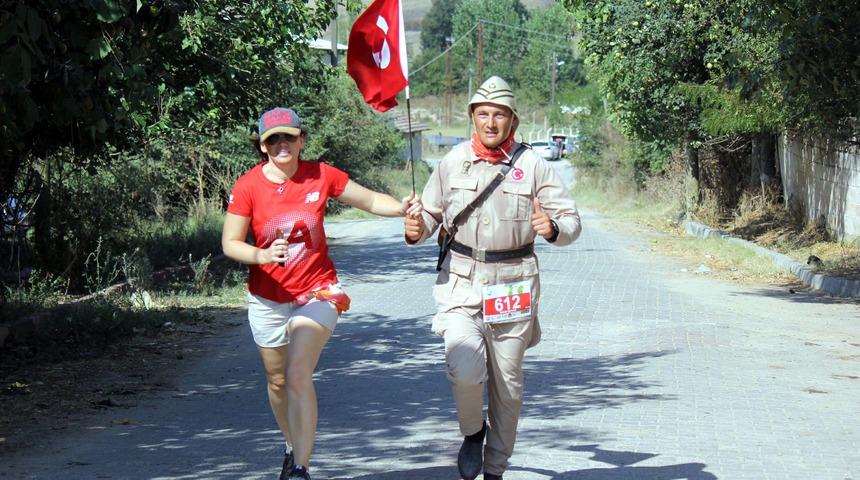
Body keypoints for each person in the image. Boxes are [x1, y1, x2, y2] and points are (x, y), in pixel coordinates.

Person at [222, 107, 421, 480]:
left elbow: (370, 200)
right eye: (273, 139)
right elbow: (231, 243)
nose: (282, 144)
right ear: (263, 146)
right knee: (277, 380)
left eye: (289, 137)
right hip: (267, 297)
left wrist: (401, 208)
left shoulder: (321, 174)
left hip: (319, 291)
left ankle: (301, 467)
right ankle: (290, 443)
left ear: (301, 140)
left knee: (297, 373)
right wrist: (262, 255)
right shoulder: (248, 186)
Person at [404, 77, 582, 480]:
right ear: (472, 117)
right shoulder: (452, 162)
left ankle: (495, 470)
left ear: (512, 120)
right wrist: (416, 229)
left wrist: (552, 227)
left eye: (498, 114)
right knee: (462, 363)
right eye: (482, 114)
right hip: (461, 282)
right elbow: (430, 215)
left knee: (508, 388)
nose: (490, 122)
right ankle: (473, 432)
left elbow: (571, 221)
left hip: (514, 284)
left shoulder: (533, 165)